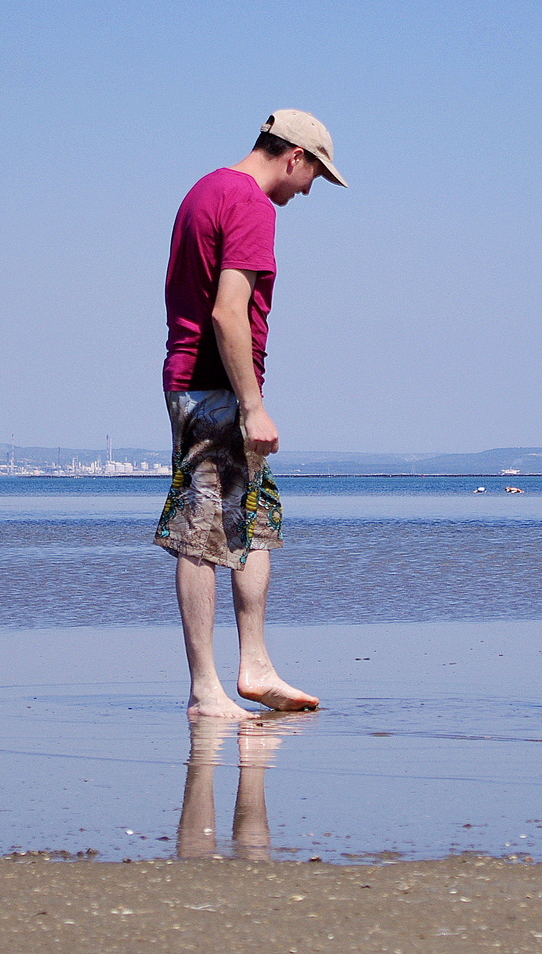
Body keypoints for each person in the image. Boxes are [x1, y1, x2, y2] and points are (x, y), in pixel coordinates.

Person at [155, 110, 348, 718]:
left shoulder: (205, 190)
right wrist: (254, 406)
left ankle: (255, 664)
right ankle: (204, 689)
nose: (311, 189)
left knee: (254, 520)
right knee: (203, 530)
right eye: (314, 174)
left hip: (212, 385)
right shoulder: (250, 204)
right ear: (294, 156)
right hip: (211, 387)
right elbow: (226, 313)